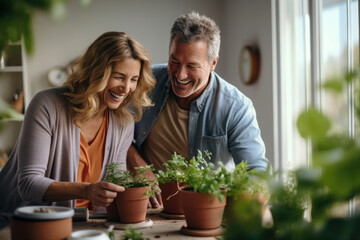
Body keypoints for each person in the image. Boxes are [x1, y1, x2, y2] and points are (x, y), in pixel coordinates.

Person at [0, 31, 156, 221]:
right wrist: (87, 190)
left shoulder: (123, 121)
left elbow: (116, 178)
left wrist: (137, 193)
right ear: (96, 72)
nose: (126, 88)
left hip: (87, 223)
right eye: (118, 76)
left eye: (134, 79)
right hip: (25, 223)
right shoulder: (47, 105)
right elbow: (28, 184)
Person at [127, 11, 270, 208]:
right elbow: (116, 132)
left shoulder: (236, 107)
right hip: (153, 208)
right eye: (174, 61)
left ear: (213, 63)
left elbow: (256, 172)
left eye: (192, 66)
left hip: (209, 209)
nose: (180, 74)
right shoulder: (146, 83)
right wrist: (143, 171)